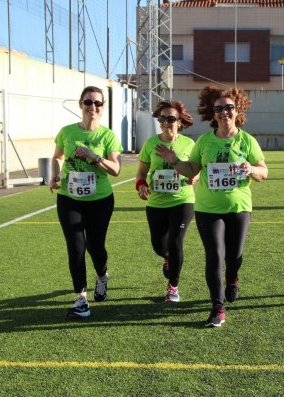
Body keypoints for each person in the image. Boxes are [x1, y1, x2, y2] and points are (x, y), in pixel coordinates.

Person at [156, 85, 268, 327]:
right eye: (218, 109)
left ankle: (233, 278)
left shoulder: (247, 141)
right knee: (214, 256)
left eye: (229, 107)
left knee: (234, 255)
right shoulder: (204, 142)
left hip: (239, 207)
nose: (224, 112)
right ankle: (217, 307)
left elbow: (264, 171)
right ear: (212, 113)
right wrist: (174, 161)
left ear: (237, 110)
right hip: (208, 209)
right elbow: (191, 170)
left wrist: (252, 169)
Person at [50, 86, 123, 318]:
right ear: (80, 105)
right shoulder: (67, 132)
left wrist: (94, 157)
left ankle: (102, 276)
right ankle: (81, 298)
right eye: (88, 102)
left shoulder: (107, 136)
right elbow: (58, 157)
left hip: (99, 200)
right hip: (69, 198)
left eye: (98, 103)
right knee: (76, 248)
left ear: (103, 108)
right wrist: (56, 175)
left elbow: (116, 170)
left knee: (95, 247)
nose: (93, 107)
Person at [136, 100, 196, 302]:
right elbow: (142, 172)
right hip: (156, 202)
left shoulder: (188, 144)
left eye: (171, 118)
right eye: (163, 118)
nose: (166, 122)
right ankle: (168, 258)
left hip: (182, 200)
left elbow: (196, 171)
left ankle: (173, 287)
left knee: (176, 241)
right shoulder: (151, 144)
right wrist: (141, 185)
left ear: (180, 122)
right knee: (159, 246)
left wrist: (194, 177)